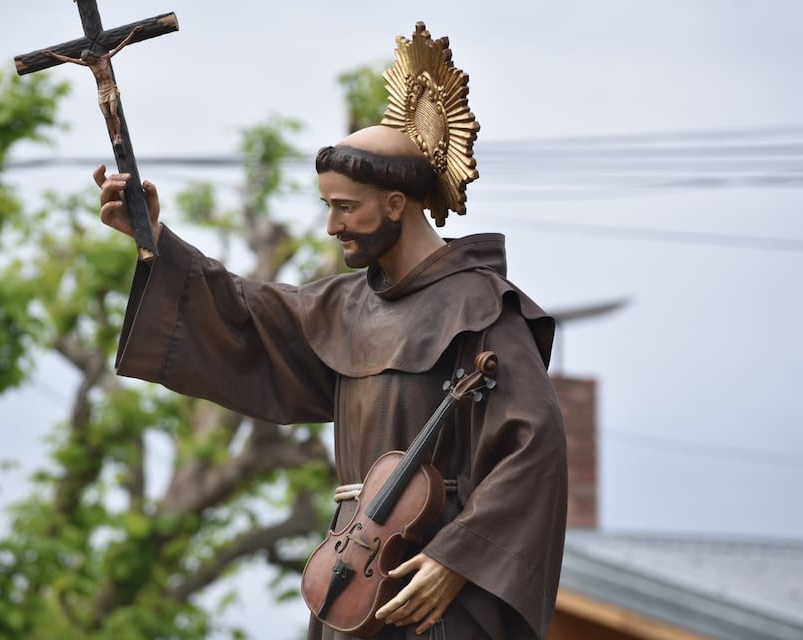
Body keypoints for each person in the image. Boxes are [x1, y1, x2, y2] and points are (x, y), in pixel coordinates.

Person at [95, 25, 567, 640]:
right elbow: (243, 314)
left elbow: (537, 447)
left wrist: (462, 558)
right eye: (327, 206)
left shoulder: (479, 307)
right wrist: (154, 241)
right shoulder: (343, 307)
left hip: (431, 591)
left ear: (396, 204)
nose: (331, 226)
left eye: (345, 208)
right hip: (349, 579)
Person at [43, 26, 142, 146]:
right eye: (86, 61)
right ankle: (114, 136)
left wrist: (133, 33)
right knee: (106, 116)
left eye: (89, 59)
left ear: (92, 56)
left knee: (113, 112)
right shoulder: (89, 65)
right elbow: (68, 59)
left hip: (110, 89)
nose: (88, 62)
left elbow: (122, 45)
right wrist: (52, 54)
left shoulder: (104, 59)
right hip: (101, 91)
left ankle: (118, 135)